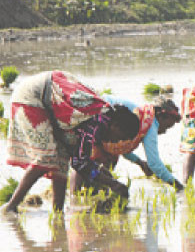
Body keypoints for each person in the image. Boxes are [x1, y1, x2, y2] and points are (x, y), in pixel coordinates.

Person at [3, 70, 140, 213]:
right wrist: (113, 183)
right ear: (116, 125)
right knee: (45, 158)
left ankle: (58, 212)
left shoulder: (102, 117)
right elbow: (80, 163)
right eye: (120, 137)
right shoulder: (98, 120)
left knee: (61, 162)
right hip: (32, 97)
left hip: (47, 101)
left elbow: (78, 159)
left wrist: (105, 176)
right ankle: (11, 206)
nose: (117, 141)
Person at [85, 95, 185, 191]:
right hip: (96, 113)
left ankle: (90, 191)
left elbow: (122, 144)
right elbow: (154, 164)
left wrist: (139, 162)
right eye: (166, 127)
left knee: (104, 159)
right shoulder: (150, 124)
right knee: (89, 157)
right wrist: (178, 185)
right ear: (161, 116)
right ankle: (77, 195)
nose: (164, 132)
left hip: (97, 106)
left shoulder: (143, 115)